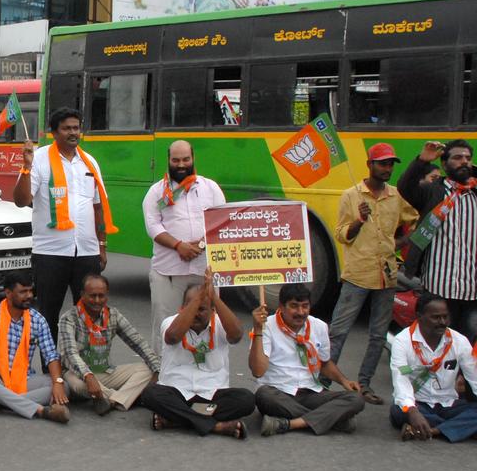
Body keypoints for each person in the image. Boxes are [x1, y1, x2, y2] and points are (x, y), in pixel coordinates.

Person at [327, 143, 419, 405]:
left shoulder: (395, 196)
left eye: (391, 164)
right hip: (358, 274)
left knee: (378, 335)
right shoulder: (351, 195)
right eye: (382, 163)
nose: (387, 168)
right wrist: (359, 220)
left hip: (387, 275)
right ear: (369, 165)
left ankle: (364, 384)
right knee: (339, 330)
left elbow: (413, 219)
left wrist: (400, 243)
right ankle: (322, 382)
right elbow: (342, 235)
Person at [14, 108, 113, 342]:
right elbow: (21, 200)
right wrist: (26, 167)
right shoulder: (38, 159)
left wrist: (102, 246)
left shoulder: (90, 162)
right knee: (48, 313)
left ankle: (84, 364)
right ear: (54, 132)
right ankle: (52, 369)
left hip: (87, 251)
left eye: (76, 128)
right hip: (50, 253)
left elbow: (98, 207)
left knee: (90, 311)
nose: (73, 133)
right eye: (67, 128)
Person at [138, 277, 252, 439]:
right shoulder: (170, 322)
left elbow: (236, 335)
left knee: (246, 400)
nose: (196, 314)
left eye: (202, 309)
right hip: (177, 394)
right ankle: (216, 426)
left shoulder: (220, 324)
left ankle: (176, 421)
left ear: (212, 310)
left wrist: (215, 298)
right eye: (192, 307)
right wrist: (199, 297)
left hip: (211, 397)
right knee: (151, 394)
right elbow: (173, 337)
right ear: (182, 308)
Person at [142, 140, 225, 351]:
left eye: (185, 159)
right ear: (168, 160)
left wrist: (202, 244)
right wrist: (179, 245)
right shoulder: (156, 192)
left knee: (206, 323)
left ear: (193, 159)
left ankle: (203, 369)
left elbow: (221, 222)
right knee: (166, 325)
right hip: (168, 272)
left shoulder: (210, 188)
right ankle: (161, 374)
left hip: (202, 270)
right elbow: (152, 226)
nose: (181, 165)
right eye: (176, 160)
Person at [251, 284, 366, 437]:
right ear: (281, 307)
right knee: (263, 395)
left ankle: (289, 424)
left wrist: (344, 381)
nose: (300, 312)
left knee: (356, 399)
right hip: (279, 394)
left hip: (311, 392)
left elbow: (324, 363)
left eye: (305, 306)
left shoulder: (319, 326)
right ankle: (333, 419)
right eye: (294, 306)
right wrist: (258, 330)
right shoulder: (266, 326)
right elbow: (258, 371)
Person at [397, 139, 477, 340]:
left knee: (466, 345)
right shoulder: (433, 191)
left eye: (468, 158)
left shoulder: (475, 195)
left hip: (472, 290)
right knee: (435, 342)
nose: (464, 162)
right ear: (444, 164)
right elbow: (405, 187)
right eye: (457, 158)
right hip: (437, 288)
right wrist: (421, 161)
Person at [0, 271, 70, 423]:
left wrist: (58, 382)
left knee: (63, 387)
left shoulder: (38, 320)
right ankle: (41, 411)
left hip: (24, 377)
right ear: (8, 293)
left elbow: (51, 355)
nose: (29, 295)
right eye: (23, 292)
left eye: (30, 290)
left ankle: (0, 404)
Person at [58, 274, 160, 415]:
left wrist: (158, 370)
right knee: (76, 382)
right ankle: (126, 397)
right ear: (82, 294)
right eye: (92, 296)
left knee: (148, 369)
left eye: (101, 296)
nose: (97, 300)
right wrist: (88, 375)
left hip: (104, 371)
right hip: (77, 374)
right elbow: (70, 354)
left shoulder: (113, 315)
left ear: (107, 295)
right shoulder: (69, 318)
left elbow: (138, 342)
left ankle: (111, 401)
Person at [389, 293, 477, 442]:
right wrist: (412, 411)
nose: (442, 322)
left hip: (449, 403)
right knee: (398, 410)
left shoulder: (459, 341)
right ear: (419, 316)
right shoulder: (402, 341)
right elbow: (400, 380)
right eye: (436, 317)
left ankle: (432, 430)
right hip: (417, 403)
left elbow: (474, 378)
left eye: (445, 317)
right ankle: (460, 429)